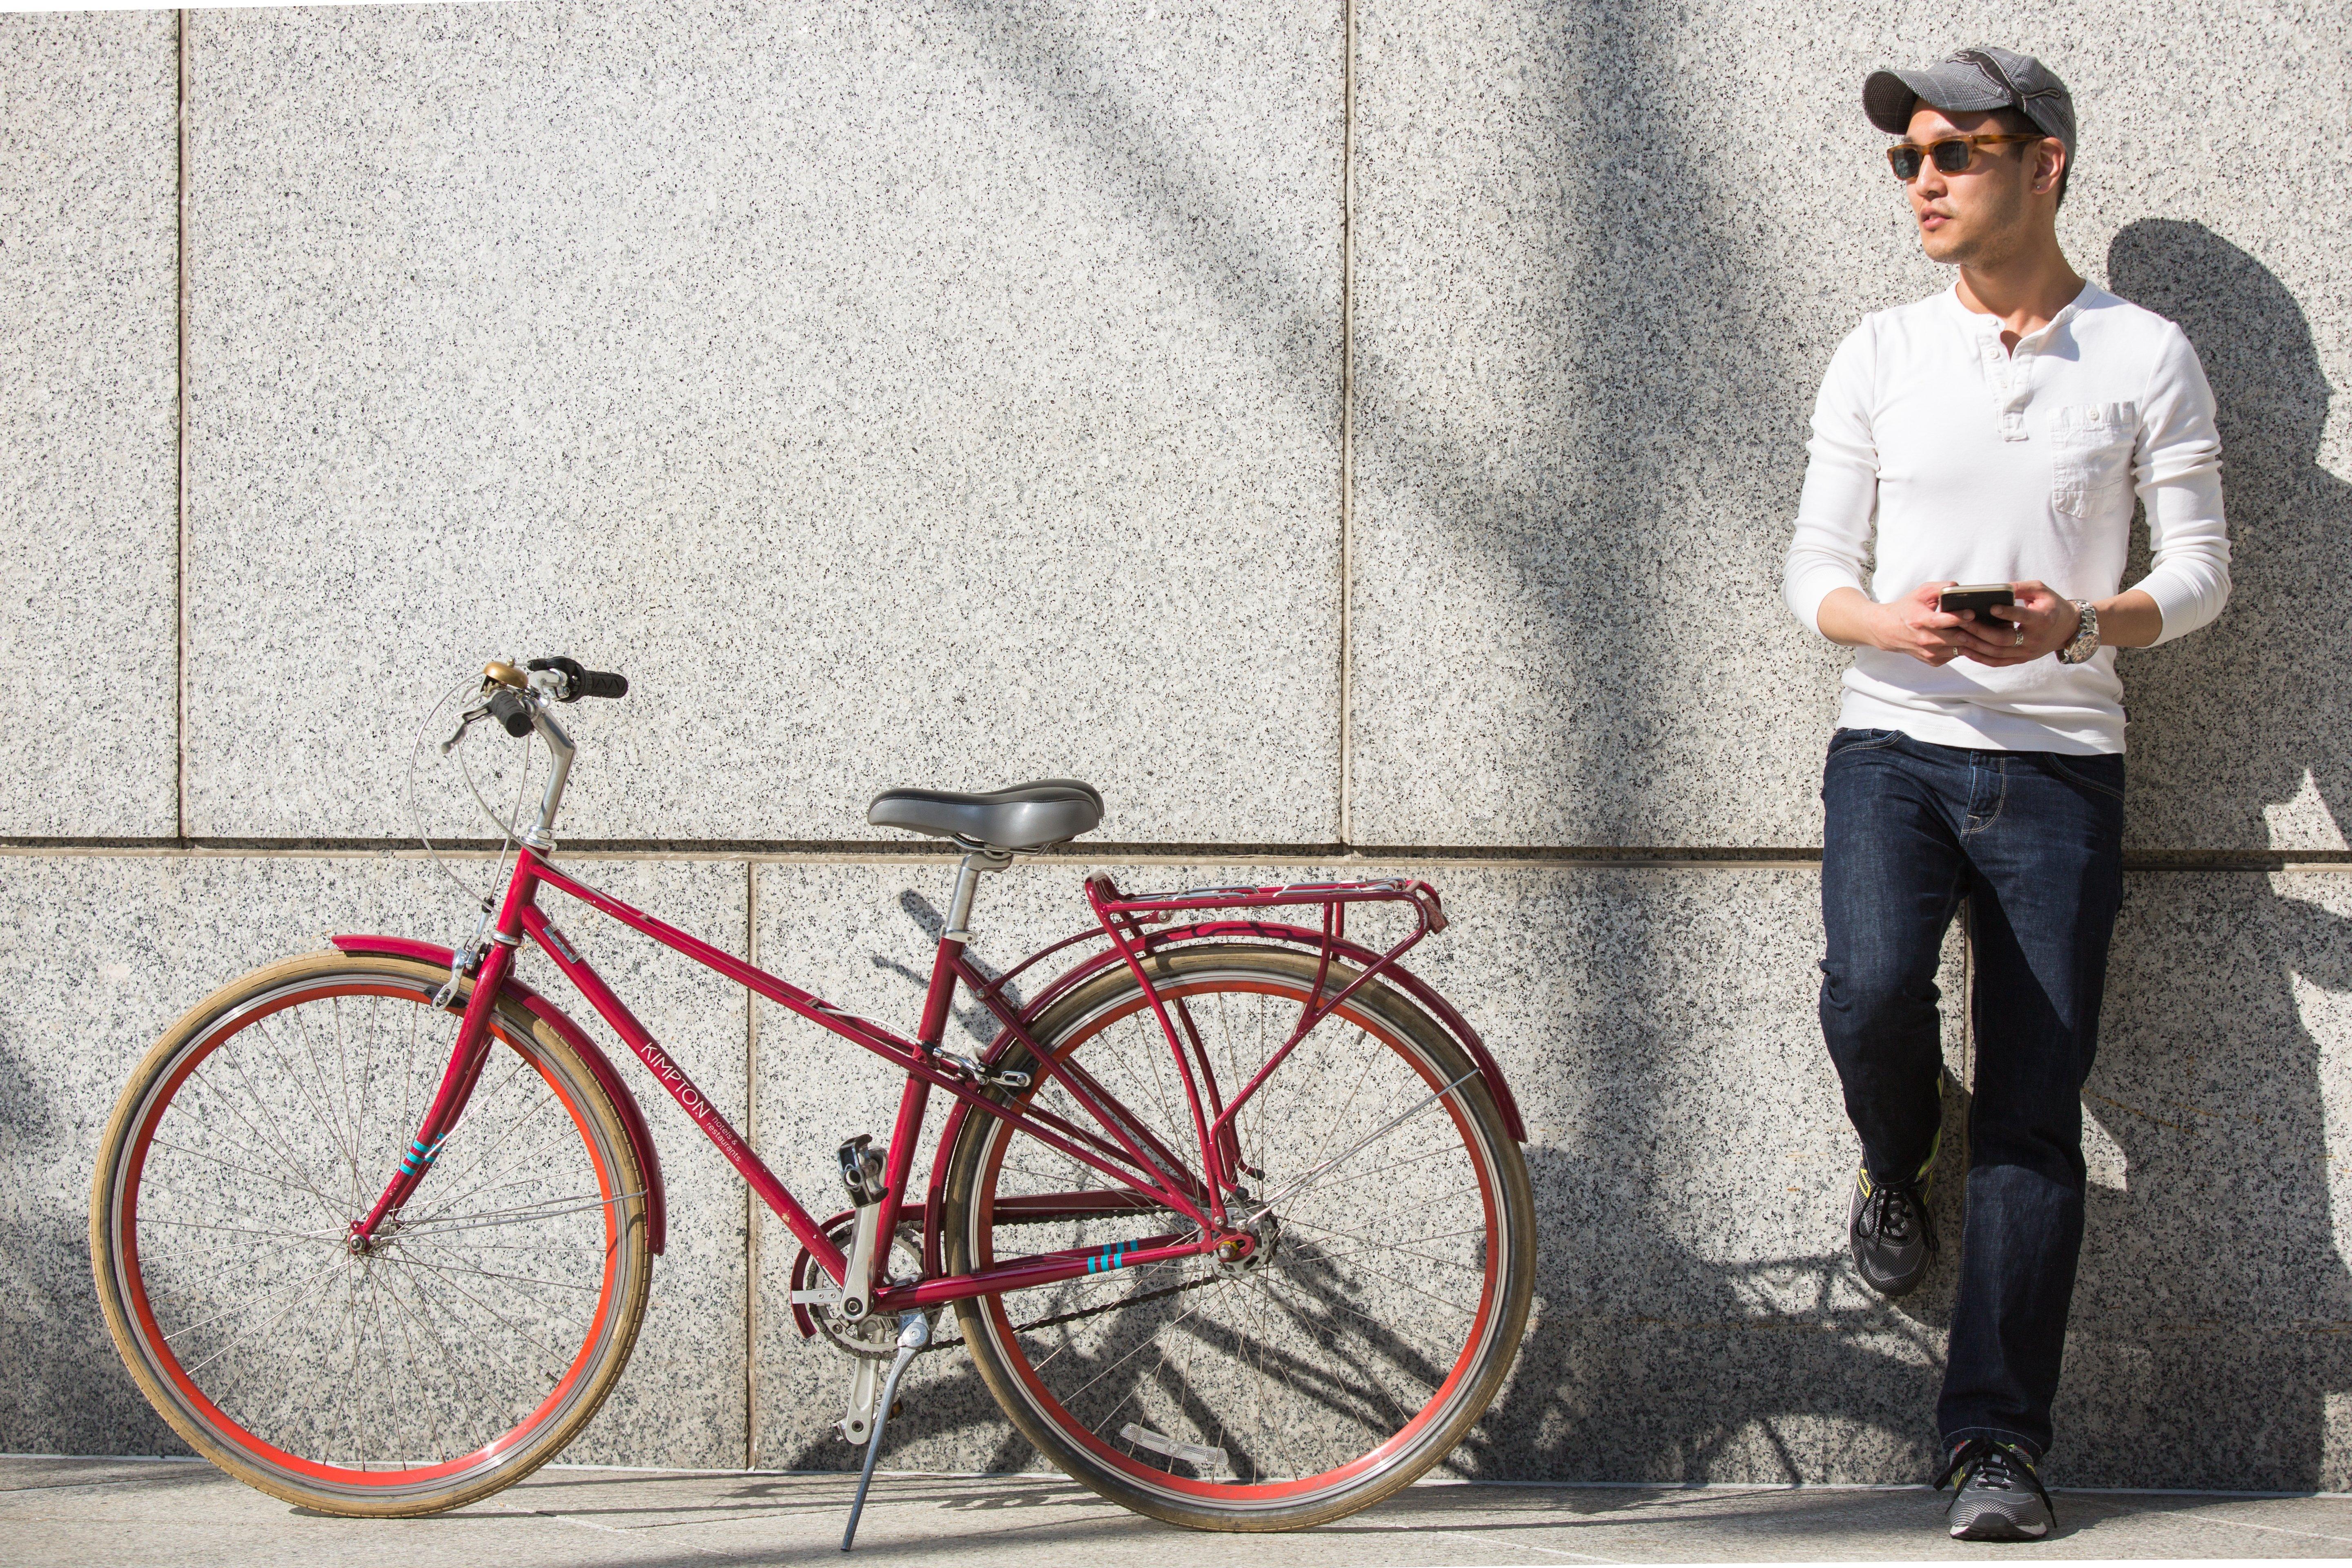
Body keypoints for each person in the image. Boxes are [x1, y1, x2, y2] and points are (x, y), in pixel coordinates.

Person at [1781, 45, 2231, 1542]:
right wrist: (1889, 623)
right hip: (1892, 744)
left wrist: (2083, 625)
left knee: (2037, 1123)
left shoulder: (2145, 356)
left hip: (2061, 768)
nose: (1923, 181)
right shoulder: (1879, 355)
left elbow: (2202, 577)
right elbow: (1815, 575)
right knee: (1866, 995)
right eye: (1909, 158)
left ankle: (1994, 1448)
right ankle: (1898, 1154)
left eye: (1956, 153)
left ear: (2045, 166)